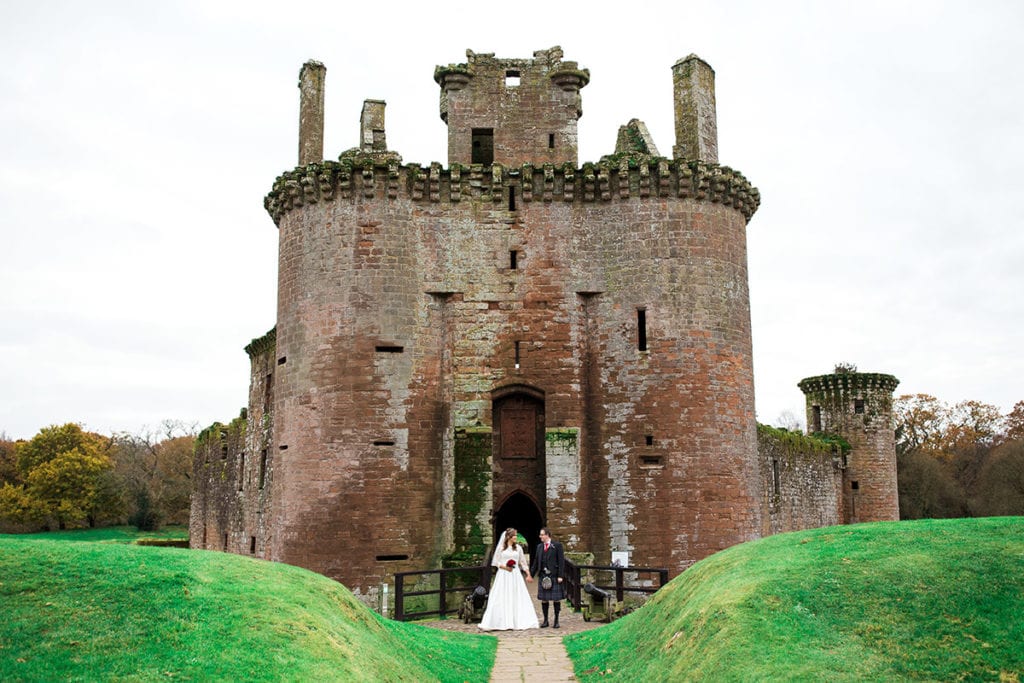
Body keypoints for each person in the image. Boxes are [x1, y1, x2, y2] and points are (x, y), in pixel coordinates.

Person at [478, 528, 539, 631]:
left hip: (515, 575)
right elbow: (496, 562)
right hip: (503, 574)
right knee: (501, 596)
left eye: (515, 535)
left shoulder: (518, 548)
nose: (516, 537)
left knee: (517, 596)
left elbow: (523, 562)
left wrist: (528, 574)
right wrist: (505, 567)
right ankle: (501, 621)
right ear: (508, 537)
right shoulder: (501, 548)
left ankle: (516, 621)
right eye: (514, 535)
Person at [530, 527, 565, 628]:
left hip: (554, 575)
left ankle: (556, 621)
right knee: (544, 599)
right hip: (543, 575)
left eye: (542, 534)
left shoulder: (557, 546)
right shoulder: (539, 547)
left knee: (556, 599)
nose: (540, 536)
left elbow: (561, 561)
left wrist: (560, 575)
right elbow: (536, 562)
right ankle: (545, 621)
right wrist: (531, 575)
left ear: (547, 535)